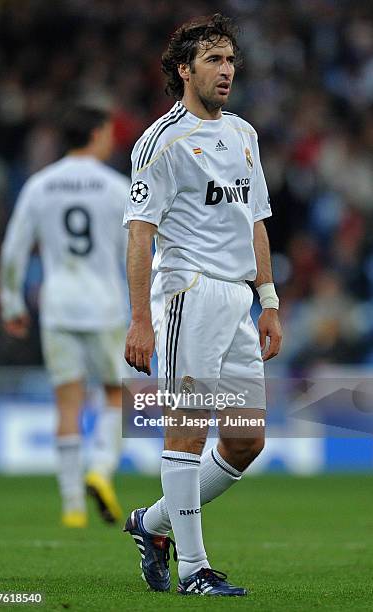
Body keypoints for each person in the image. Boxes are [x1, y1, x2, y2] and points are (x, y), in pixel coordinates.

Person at [123, 13, 282, 597]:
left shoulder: (243, 133)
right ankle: (194, 572)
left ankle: (152, 523)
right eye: (214, 60)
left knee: (245, 440)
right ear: (184, 70)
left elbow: (256, 219)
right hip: (188, 292)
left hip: (238, 299)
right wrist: (141, 317)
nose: (227, 70)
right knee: (186, 429)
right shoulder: (161, 142)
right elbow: (140, 233)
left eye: (231, 60)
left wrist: (267, 300)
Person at [0, 105, 130, 528]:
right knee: (114, 394)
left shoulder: (41, 185)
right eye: (108, 132)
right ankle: (101, 469)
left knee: (67, 403)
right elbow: (138, 253)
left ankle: (73, 505)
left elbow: (14, 249)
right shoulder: (116, 188)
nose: (111, 140)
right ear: (94, 134)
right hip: (105, 305)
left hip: (57, 306)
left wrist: (12, 304)